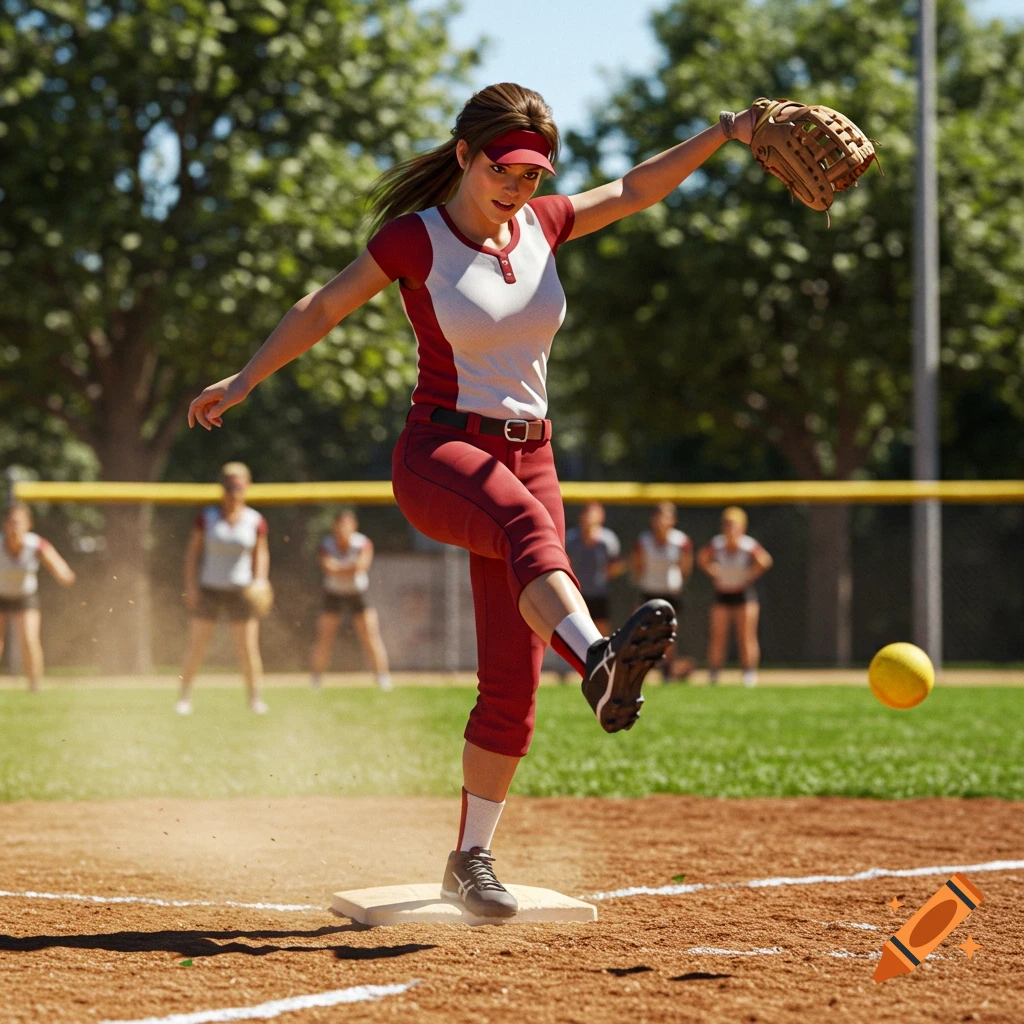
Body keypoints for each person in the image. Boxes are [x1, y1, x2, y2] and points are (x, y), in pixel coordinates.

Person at [188, 82, 760, 918]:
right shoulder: (414, 240)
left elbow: (636, 189)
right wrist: (245, 380)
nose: (518, 187)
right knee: (525, 527)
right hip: (442, 453)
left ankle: (471, 859)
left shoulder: (545, 224)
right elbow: (324, 304)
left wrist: (726, 128)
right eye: (503, 168)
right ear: (464, 156)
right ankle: (599, 662)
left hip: (535, 458)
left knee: (511, 685)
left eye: (532, 173)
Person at [176, 462, 271, 715]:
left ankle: (255, 699)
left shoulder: (254, 520)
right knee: (196, 646)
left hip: (241, 590)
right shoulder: (207, 517)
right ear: (222, 487)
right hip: (210, 587)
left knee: (248, 650)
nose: (233, 491)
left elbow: (261, 553)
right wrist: (191, 586)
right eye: (229, 486)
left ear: (247, 487)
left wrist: (261, 580)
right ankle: (184, 698)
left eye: (238, 486)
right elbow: (192, 554)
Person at [310, 509, 392, 690]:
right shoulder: (326, 544)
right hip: (334, 593)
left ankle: (382, 676)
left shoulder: (362, 543)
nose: (342, 529)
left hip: (358, 592)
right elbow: (328, 568)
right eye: (339, 525)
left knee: (370, 635)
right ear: (334, 526)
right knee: (324, 636)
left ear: (354, 526)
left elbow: (361, 567)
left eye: (346, 525)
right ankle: (316, 677)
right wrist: (348, 568)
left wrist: (339, 568)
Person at [0, 502, 76, 691]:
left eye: (18, 522)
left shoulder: (36, 544)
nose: (14, 526)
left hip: (25, 596)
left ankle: (34, 683)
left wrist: (63, 573)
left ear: (28, 524)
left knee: (29, 638)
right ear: (4, 525)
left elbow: (56, 562)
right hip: (1, 595)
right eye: (10, 522)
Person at [697, 506, 773, 687]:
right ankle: (714, 672)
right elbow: (701, 558)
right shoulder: (717, 545)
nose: (730, 529)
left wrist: (750, 575)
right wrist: (712, 571)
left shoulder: (748, 545)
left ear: (742, 527)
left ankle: (749, 672)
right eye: (727, 525)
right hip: (723, 593)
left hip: (743, 594)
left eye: (734, 525)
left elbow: (765, 560)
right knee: (717, 635)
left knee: (746, 635)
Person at [632, 502, 694, 681]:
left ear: (673, 520)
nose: (662, 521)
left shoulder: (681, 542)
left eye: (666, 516)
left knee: (668, 634)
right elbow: (637, 566)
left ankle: (667, 669)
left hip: (670, 593)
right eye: (658, 516)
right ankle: (642, 669)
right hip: (649, 591)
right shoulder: (643, 540)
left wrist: (678, 583)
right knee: (643, 632)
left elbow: (685, 568)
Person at [564, 502, 625, 637]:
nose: (589, 518)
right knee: (576, 633)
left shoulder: (607, 540)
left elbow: (614, 566)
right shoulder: (571, 539)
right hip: (577, 593)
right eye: (586, 514)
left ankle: (601, 658)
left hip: (599, 594)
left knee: (600, 633)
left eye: (593, 514)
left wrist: (602, 576)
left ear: (601, 517)